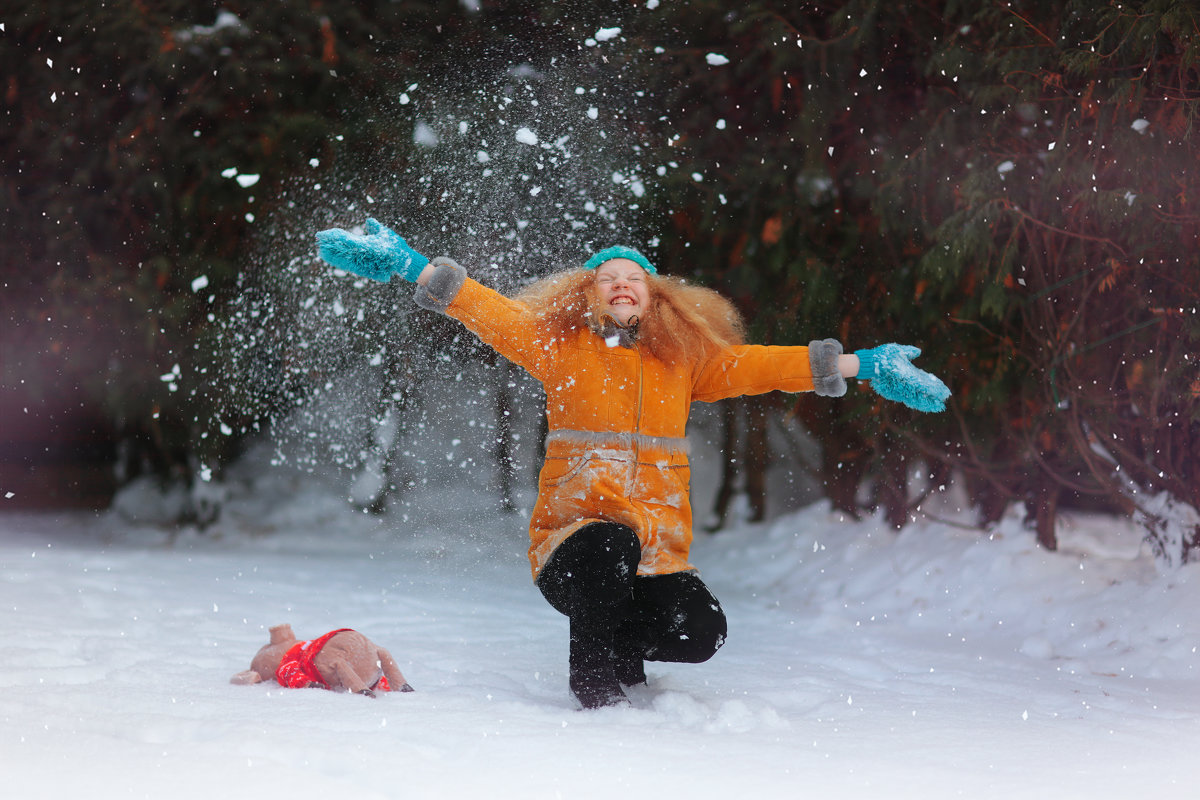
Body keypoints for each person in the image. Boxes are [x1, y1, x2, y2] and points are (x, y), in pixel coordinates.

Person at [315, 218, 949, 708]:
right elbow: (486, 307)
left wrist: (863, 364)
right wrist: (408, 264)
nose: (621, 282)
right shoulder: (556, 347)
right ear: (587, 295)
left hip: (655, 553)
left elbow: (763, 365)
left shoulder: (687, 361)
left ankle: (619, 654)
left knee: (703, 631)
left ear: (657, 298)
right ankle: (596, 692)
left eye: (635, 277)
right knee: (609, 544)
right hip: (572, 546)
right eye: (607, 277)